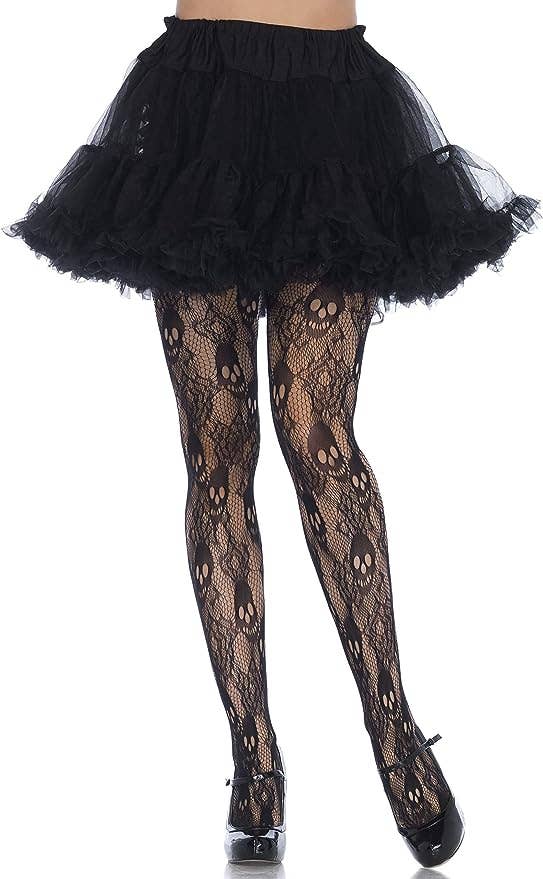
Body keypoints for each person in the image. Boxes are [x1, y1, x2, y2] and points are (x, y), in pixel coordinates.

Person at [3, 0, 540, 867]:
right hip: (199, 94)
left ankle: (393, 729)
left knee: (317, 433)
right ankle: (254, 757)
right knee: (215, 452)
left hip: (331, 100)